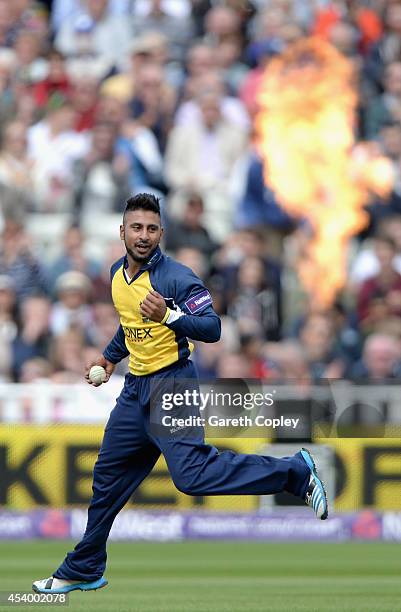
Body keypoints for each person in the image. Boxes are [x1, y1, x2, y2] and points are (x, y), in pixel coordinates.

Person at [32, 193, 328, 595]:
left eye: (152, 229)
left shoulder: (176, 277)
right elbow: (130, 326)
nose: (143, 235)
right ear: (122, 231)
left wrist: (170, 315)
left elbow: (213, 328)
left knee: (192, 476)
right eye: (136, 227)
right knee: (107, 479)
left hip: (172, 385)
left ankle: (294, 471)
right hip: (135, 389)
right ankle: (84, 566)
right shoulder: (119, 275)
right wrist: (109, 358)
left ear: (161, 234)